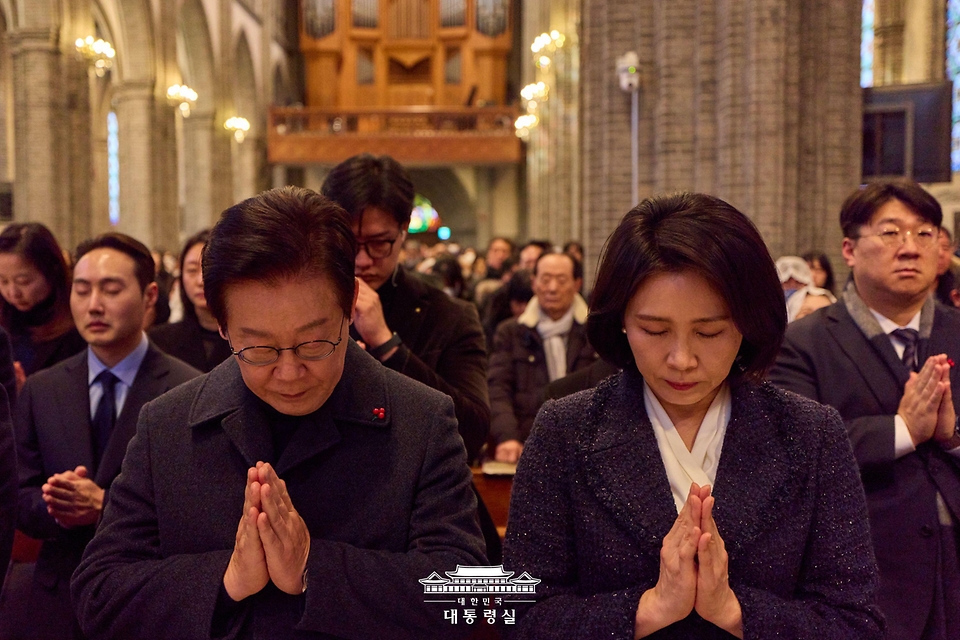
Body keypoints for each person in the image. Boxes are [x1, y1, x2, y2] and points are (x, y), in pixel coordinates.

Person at [71, 187, 487, 639]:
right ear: (225, 327)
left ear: (350, 305)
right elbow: (99, 595)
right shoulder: (167, 424)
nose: (289, 373)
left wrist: (314, 568)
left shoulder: (422, 419)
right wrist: (226, 580)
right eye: (259, 347)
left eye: (314, 343)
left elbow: (471, 596)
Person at [503, 193, 883, 639]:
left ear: (747, 323)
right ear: (621, 320)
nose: (681, 359)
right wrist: (649, 608)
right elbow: (521, 616)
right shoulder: (566, 430)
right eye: (654, 330)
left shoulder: (809, 434)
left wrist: (734, 610)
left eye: (709, 332)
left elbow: (857, 624)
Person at [769, 178, 960, 640]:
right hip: (867, 572)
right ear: (850, 250)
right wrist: (903, 430)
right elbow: (796, 450)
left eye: (924, 233)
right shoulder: (802, 343)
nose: (910, 248)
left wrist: (952, 435)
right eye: (891, 233)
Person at [11, 233, 200, 639]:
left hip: (149, 599)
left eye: (111, 289)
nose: (94, 304)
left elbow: (196, 508)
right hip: (57, 598)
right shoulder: (43, 389)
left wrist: (104, 506)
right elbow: (19, 493)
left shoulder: (190, 389)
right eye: (82, 290)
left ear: (150, 296)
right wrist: (56, 505)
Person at [320, 154, 489, 463]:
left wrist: (388, 345)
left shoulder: (449, 316)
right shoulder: (304, 308)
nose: (362, 260)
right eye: (349, 243)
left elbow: (473, 431)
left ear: (404, 229)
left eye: (379, 242)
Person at [488, 252, 597, 463]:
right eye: (545, 279)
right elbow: (498, 388)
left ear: (577, 284)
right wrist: (507, 436)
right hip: (527, 444)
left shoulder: (594, 333)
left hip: (586, 448)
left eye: (561, 280)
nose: (552, 288)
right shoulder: (511, 332)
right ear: (534, 283)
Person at [0, 223, 85, 395]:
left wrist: (28, 393)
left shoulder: (78, 328)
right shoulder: (5, 322)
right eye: (3, 281)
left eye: (23, 281)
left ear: (51, 272)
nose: (12, 292)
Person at [148, 230, 232, 372]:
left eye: (209, 270)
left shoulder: (251, 342)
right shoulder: (159, 341)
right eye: (192, 270)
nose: (200, 281)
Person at [774, 255, 836, 322]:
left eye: (798, 283)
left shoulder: (818, 298)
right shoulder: (771, 306)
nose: (792, 286)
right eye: (787, 283)